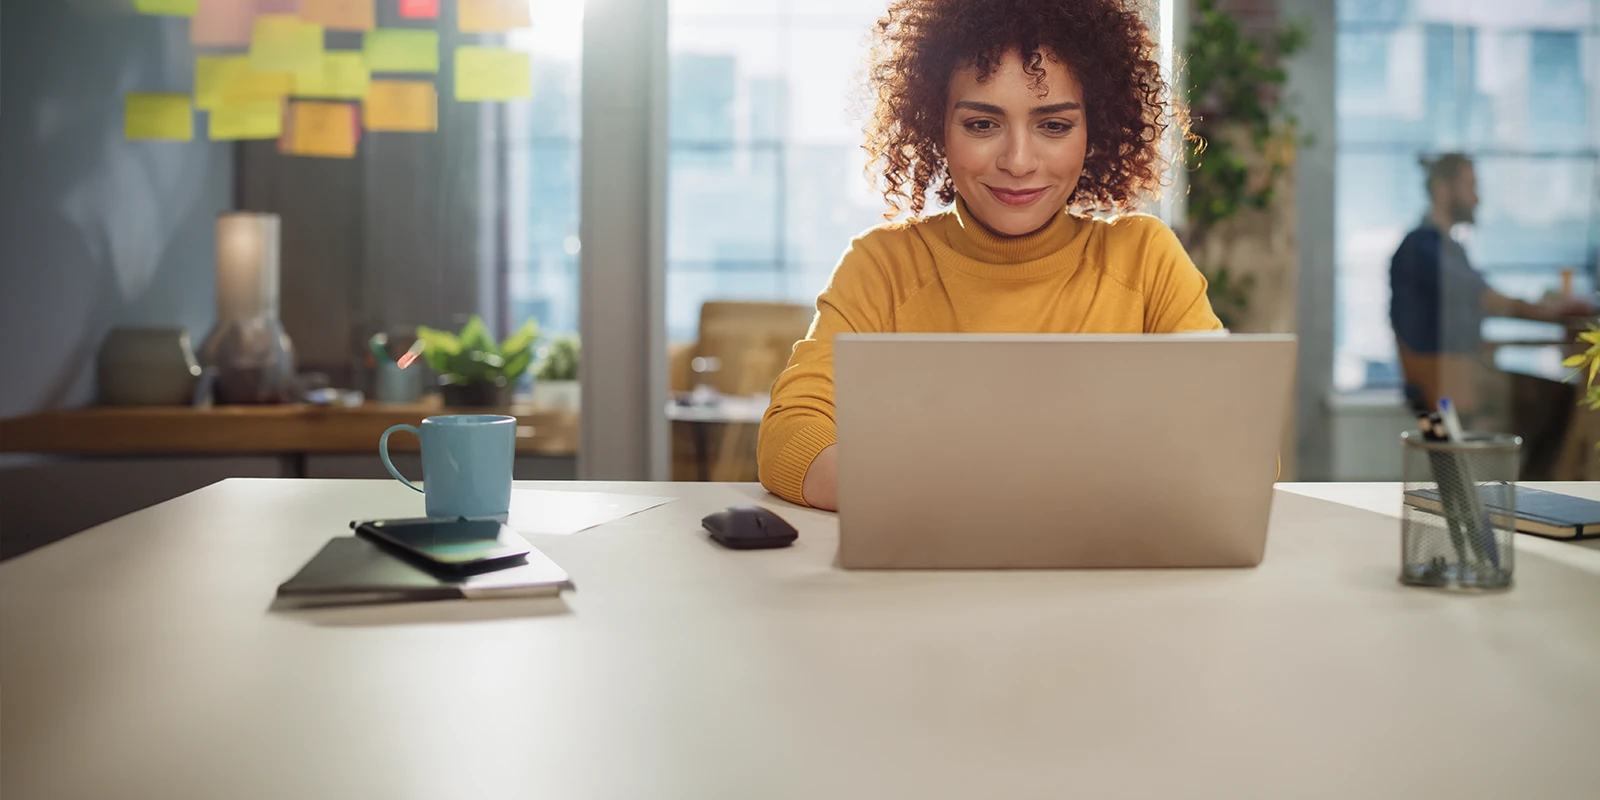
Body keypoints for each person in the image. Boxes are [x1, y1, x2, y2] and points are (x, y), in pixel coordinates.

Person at [757, 0, 1221, 511]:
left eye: (1055, 126)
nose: (1018, 161)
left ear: (1095, 130)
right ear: (936, 127)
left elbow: (1234, 444)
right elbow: (791, 434)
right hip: (928, 572)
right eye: (982, 124)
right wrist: (950, 501)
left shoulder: (1145, 260)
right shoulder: (883, 267)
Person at [1390, 154, 1593, 478]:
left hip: (1458, 375)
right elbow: (1485, 298)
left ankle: (1532, 500)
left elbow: (1472, 306)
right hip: (1447, 384)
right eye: (1470, 186)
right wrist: (1549, 312)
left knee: (1559, 401)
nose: (1477, 197)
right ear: (1443, 190)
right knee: (1563, 401)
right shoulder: (1423, 246)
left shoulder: (1444, 247)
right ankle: (1538, 502)